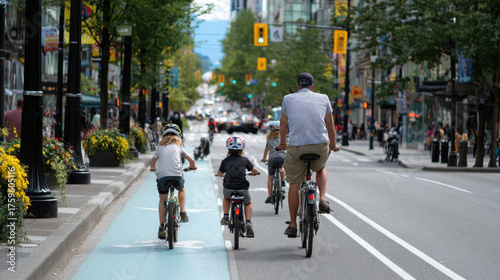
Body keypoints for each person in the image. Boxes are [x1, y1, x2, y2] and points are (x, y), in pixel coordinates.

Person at [277, 72, 340, 238]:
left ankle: (292, 224)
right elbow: (331, 126)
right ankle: (323, 198)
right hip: (320, 145)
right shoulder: (324, 98)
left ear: (297, 86)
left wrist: (283, 143)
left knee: (294, 183)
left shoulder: (288, 99)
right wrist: (332, 145)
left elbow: (283, 126)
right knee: (321, 167)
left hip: (297, 146)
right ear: (313, 86)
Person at [149, 123, 197, 239]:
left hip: (162, 177)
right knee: (181, 189)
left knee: (163, 198)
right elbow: (191, 160)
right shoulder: (179, 146)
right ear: (178, 136)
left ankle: (161, 227)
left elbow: (152, 162)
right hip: (177, 175)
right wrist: (192, 166)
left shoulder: (160, 147)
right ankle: (183, 212)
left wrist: (153, 169)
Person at [217, 136, 259, 238]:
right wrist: (255, 173)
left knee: (227, 198)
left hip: (229, 187)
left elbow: (219, 173)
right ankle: (248, 222)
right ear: (242, 149)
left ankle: (226, 216)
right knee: (248, 203)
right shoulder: (245, 160)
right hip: (242, 188)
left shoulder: (225, 161)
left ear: (228, 149)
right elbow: (255, 170)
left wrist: (222, 175)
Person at [260, 121, 286, 204]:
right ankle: (282, 181)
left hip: (272, 159)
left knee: (270, 177)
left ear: (273, 128)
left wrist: (264, 159)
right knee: (281, 167)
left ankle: (269, 196)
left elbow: (266, 149)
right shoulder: (283, 137)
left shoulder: (269, 138)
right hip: (282, 158)